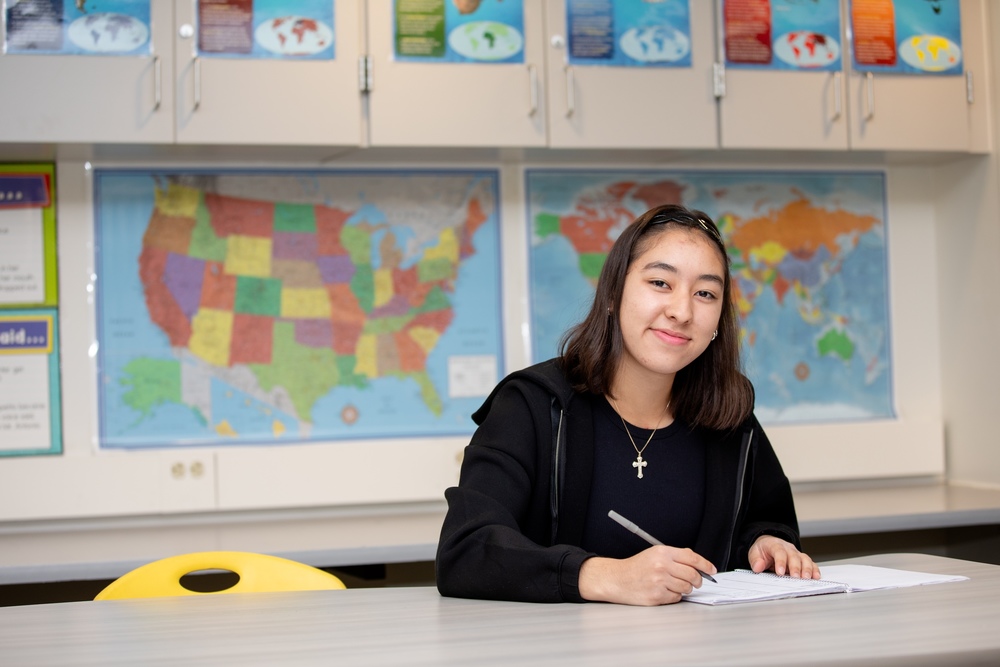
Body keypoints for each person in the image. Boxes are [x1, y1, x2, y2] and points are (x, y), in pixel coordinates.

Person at [435, 203, 819, 606]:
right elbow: (465, 551)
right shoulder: (532, 405)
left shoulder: (730, 415)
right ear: (613, 294)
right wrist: (603, 576)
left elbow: (766, 519)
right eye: (660, 283)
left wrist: (766, 543)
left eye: (705, 293)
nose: (682, 311)